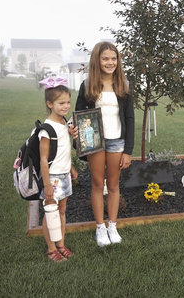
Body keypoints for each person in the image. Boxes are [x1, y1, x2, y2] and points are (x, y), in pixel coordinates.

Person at [76, 41, 134, 247]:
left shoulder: (124, 86)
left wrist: (128, 151)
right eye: (105, 58)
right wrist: (76, 133)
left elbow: (129, 119)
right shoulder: (87, 85)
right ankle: (100, 227)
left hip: (117, 141)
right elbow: (80, 117)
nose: (110, 62)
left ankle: (113, 225)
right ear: (97, 60)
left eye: (113, 58)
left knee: (114, 185)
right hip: (95, 141)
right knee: (98, 185)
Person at [38, 76, 79, 262]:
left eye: (68, 102)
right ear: (49, 103)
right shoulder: (47, 129)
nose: (66, 106)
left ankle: (60, 243)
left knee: (62, 211)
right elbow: (44, 159)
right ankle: (51, 248)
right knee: (50, 214)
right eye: (61, 103)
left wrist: (70, 167)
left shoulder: (64, 123)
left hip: (64, 174)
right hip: (52, 178)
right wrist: (47, 185)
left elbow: (62, 150)